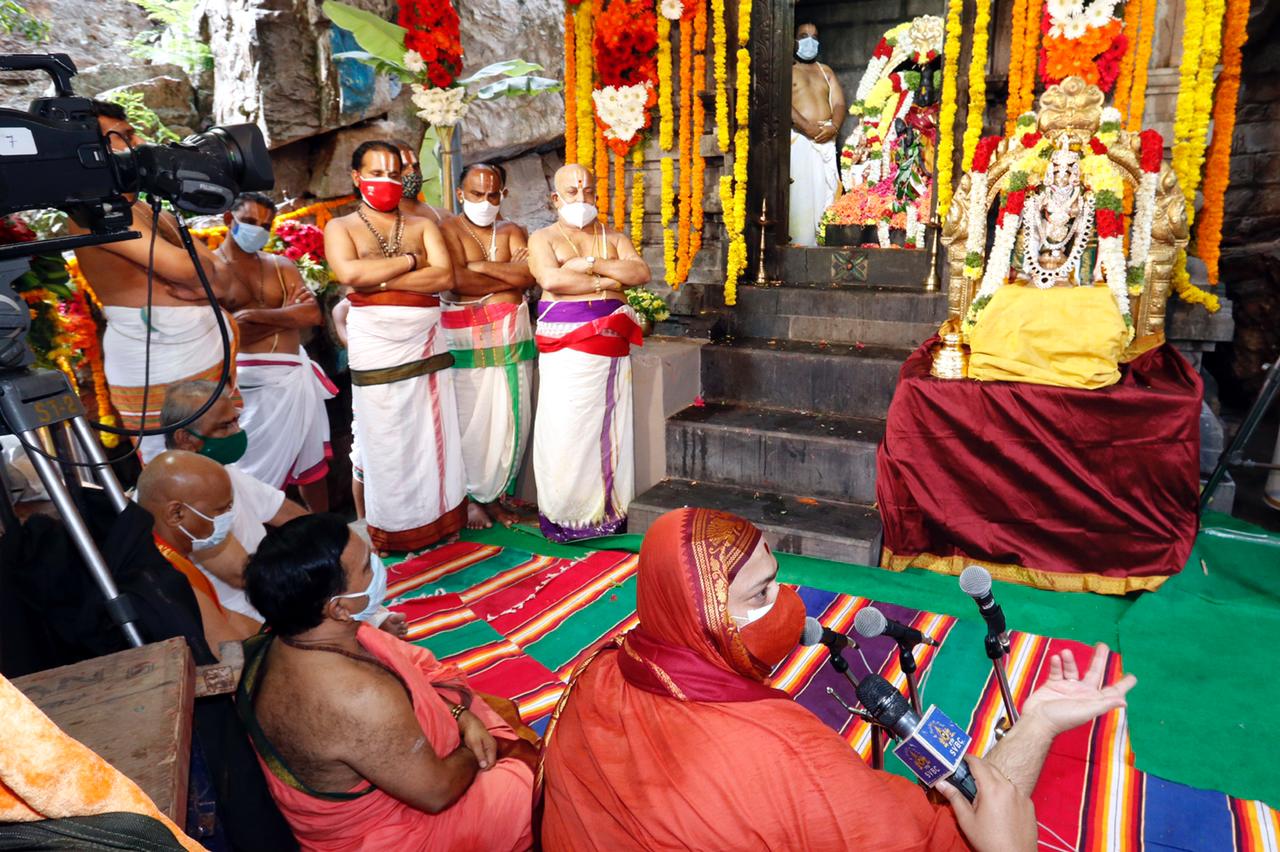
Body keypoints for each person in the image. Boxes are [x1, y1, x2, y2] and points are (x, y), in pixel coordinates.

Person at [540, 507, 1137, 851]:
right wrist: (1036, 724)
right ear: (705, 620)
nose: (790, 603)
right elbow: (956, 835)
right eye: (763, 593)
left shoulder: (599, 673)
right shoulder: (789, 755)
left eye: (780, 577)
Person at [239, 513, 537, 851]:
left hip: (399, 773)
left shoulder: (291, 637)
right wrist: (472, 747)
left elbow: (415, 671)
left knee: (479, 712)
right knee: (540, 787)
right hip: (391, 831)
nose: (379, 564)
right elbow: (436, 794)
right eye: (368, 566)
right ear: (338, 609)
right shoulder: (355, 696)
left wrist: (458, 715)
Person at [71, 101, 238, 460]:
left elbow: (222, 277)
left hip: (201, 355)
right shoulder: (92, 215)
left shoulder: (143, 208)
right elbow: (193, 270)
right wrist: (200, 280)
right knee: (179, 470)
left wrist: (200, 283)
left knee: (223, 460)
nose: (140, 142)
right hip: (158, 362)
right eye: (124, 136)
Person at [325, 140, 466, 552]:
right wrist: (408, 263)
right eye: (376, 173)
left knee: (432, 431)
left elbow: (443, 278)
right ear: (356, 177)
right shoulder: (341, 227)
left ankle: (439, 521)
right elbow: (349, 272)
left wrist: (378, 278)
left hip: (425, 343)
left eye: (393, 174)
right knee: (384, 434)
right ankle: (393, 528)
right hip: (376, 346)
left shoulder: (423, 226)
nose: (387, 182)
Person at [527, 164, 650, 542]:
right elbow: (551, 279)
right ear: (555, 198)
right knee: (565, 428)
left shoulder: (612, 237)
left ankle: (607, 514)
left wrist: (592, 266)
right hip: (565, 350)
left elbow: (640, 273)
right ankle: (566, 516)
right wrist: (610, 281)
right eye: (572, 193)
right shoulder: (543, 238)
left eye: (589, 192)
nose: (582, 200)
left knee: (606, 427)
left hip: (609, 351)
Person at [217, 192, 336, 511]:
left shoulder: (280, 264)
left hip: (293, 376)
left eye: (265, 225)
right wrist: (285, 315)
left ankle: (321, 532)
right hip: (250, 383)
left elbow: (312, 316)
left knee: (311, 471)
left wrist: (255, 316)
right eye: (250, 222)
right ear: (229, 220)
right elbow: (226, 335)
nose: (259, 230)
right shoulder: (212, 270)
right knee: (250, 472)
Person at [161, 380, 309, 622]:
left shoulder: (220, 472)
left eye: (235, 421)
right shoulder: (180, 496)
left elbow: (284, 512)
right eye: (224, 426)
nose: (236, 432)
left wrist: (334, 540)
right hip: (248, 617)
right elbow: (242, 576)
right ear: (185, 438)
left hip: (273, 590)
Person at [439, 163, 536, 529]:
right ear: (460, 193)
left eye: (492, 194)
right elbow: (455, 280)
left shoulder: (512, 230)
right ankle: (466, 497)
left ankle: (494, 496)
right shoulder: (447, 229)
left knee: (511, 417)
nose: (485, 201)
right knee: (470, 420)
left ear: (503, 194)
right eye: (476, 194)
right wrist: (504, 281)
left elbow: (528, 276)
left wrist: (480, 266)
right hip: (466, 342)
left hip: (510, 339)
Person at [135, 451, 261, 656]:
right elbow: (226, 650)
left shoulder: (172, 555)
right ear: (176, 514)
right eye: (220, 510)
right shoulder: (162, 573)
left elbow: (226, 618)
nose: (228, 517)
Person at [790, 23, 846, 246]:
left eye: (814, 37)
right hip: (800, 140)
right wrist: (806, 127)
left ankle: (822, 245)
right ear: (793, 40)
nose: (809, 41)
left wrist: (834, 126)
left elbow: (839, 103)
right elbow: (783, 102)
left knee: (826, 196)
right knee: (802, 198)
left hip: (826, 139)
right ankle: (800, 247)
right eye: (804, 36)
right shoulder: (788, 69)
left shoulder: (826, 71)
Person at [396, 140, 451, 224]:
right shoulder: (380, 218)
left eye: (416, 166)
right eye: (403, 167)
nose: (412, 171)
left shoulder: (444, 216)